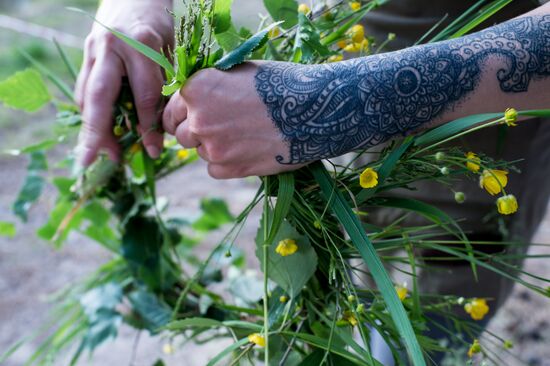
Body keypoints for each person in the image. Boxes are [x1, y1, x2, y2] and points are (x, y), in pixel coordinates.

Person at [77, 0, 550, 363]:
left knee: (433, 286)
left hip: (500, 62)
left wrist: (326, 104)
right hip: (379, 22)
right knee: (375, 239)